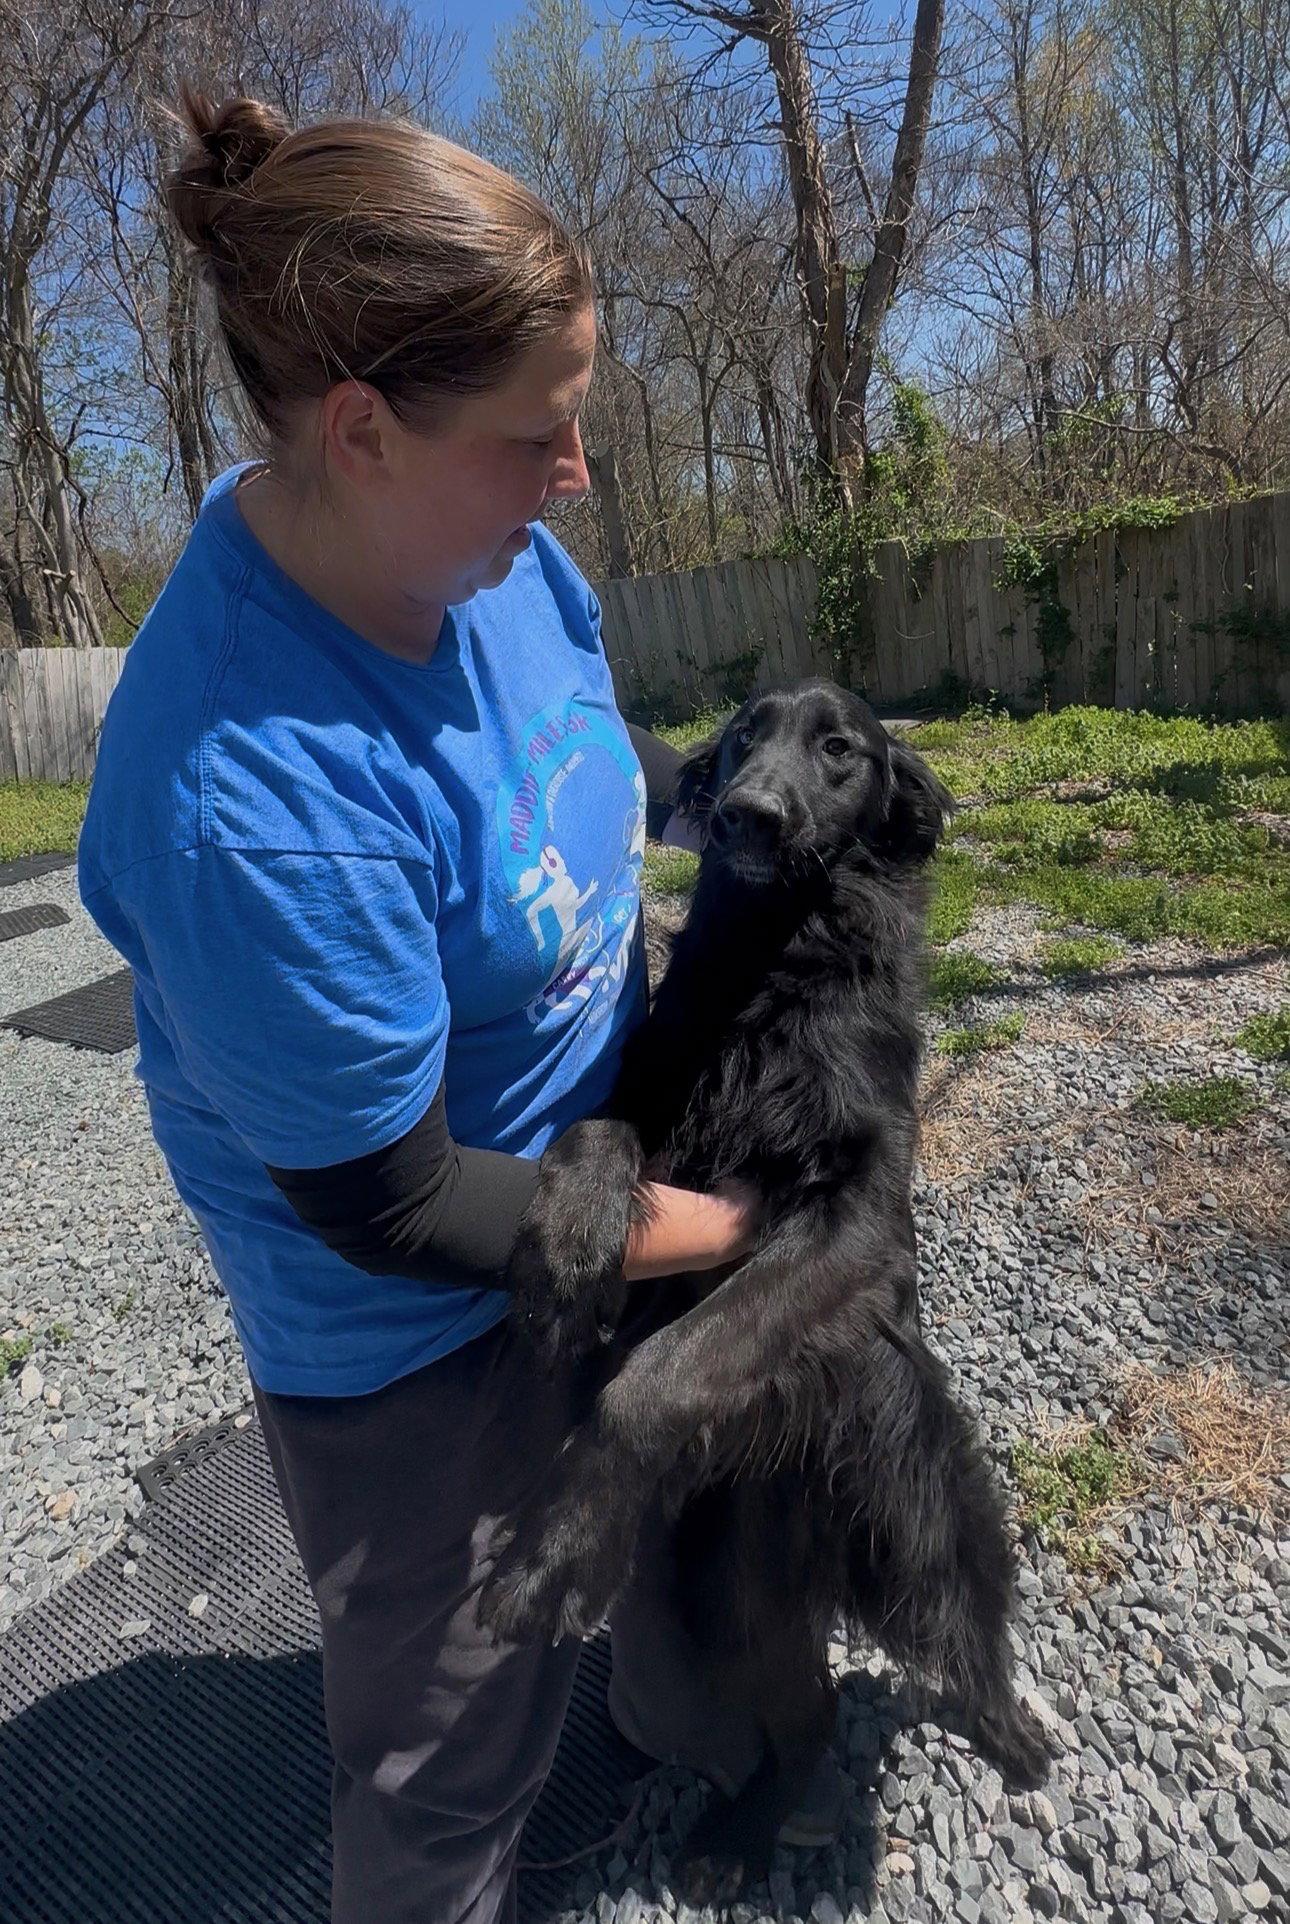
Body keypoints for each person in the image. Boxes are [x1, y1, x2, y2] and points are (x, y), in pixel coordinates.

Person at [76, 89, 766, 1924]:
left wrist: (720, 811)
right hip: (416, 1343)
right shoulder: (251, 787)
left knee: (670, 1500)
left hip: (606, 1176)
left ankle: (695, 1720)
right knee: (452, 1747)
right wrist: (741, 1225)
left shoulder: (500, 558)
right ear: (363, 429)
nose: (578, 478)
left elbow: (573, 756)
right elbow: (397, 1203)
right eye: (539, 435)